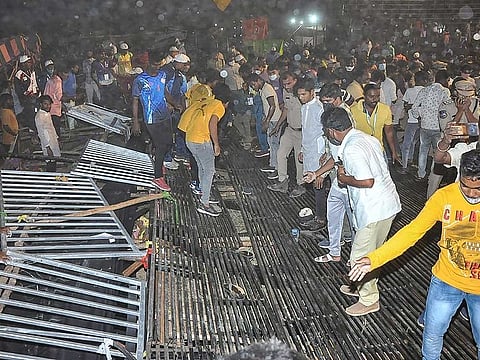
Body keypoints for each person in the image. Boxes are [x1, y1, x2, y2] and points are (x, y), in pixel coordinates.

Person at [349, 149, 480, 360]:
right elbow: (412, 232)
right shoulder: (444, 197)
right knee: (432, 334)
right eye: (466, 186)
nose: (472, 193)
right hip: (447, 281)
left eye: (478, 188)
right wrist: (373, 259)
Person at [321, 107, 401, 316]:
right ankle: (359, 285)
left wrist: (343, 178)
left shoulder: (351, 149)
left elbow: (367, 180)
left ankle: (369, 299)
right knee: (373, 252)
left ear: (331, 131)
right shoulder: (368, 138)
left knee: (359, 257)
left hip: (373, 209)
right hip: (388, 204)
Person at [178, 83, 231, 217]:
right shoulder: (219, 106)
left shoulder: (206, 101)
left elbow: (187, 115)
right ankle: (205, 203)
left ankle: (203, 192)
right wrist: (216, 144)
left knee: (202, 167)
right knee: (210, 170)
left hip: (189, 139)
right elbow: (212, 123)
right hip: (201, 141)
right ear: (227, 102)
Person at [132, 49, 174, 191]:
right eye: (155, 64)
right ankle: (157, 178)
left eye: (159, 64)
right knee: (161, 145)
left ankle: (159, 161)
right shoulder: (140, 80)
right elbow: (135, 101)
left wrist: (174, 103)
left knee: (168, 143)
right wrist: (136, 121)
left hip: (164, 115)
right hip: (151, 118)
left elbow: (164, 92)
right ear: (149, 62)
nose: (157, 67)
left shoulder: (163, 74)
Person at [297, 78, 327, 230]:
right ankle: (319, 212)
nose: (301, 97)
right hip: (308, 150)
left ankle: (321, 218)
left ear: (312, 93)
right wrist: (302, 149)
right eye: (299, 95)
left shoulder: (319, 108)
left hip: (317, 152)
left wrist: (323, 154)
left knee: (318, 184)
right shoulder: (304, 108)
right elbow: (305, 130)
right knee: (313, 184)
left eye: (303, 94)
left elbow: (324, 132)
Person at [267, 72, 304, 196]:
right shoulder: (286, 92)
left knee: (300, 159)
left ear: (295, 80)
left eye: (289, 83)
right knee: (281, 154)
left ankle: (300, 184)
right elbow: (286, 109)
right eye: (284, 84)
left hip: (301, 132)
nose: (287, 86)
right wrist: (278, 126)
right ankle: (282, 181)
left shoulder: (303, 94)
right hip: (289, 129)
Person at [350, 83, 402, 164]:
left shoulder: (385, 109)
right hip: (361, 151)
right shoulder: (353, 110)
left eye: (378, 96)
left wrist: (393, 152)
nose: (375, 99)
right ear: (364, 95)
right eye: (371, 96)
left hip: (378, 150)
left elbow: (389, 132)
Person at [247, 73, 282, 179]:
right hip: (270, 119)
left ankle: (277, 168)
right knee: (271, 143)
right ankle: (272, 164)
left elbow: (272, 105)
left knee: (275, 144)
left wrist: (267, 121)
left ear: (258, 80)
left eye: (253, 84)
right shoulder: (262, 89)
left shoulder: (267, 89)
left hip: (274, 120)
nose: (253, 87)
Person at [35, 95, 61, 172]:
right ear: (41, 104)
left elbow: (52, 127)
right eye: (45, 104)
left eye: (49, 104)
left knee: (54, 161)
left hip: (53, 140)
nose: (48, 106)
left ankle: (53, 178)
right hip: (47, 143)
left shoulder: (47, 114)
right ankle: (50, 180)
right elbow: (41, 134)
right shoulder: (39, 116)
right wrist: (47, 147)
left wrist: (57, 138)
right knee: (50, 162)